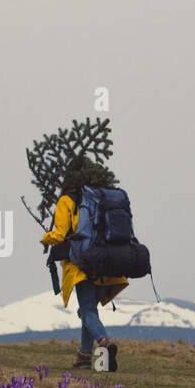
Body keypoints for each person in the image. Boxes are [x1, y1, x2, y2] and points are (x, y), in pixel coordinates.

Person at [41, 157, 127, 371]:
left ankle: (104, 343)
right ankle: (86, 357)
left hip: (82, 263)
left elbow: (60, 234)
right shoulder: (102, 196)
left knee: (87, 309)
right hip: (109, 261)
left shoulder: (67, 200)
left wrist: (46, 238)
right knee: (90, 310)